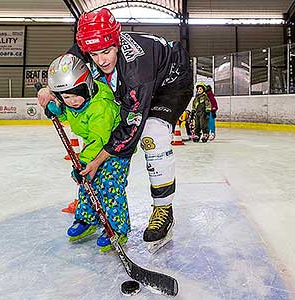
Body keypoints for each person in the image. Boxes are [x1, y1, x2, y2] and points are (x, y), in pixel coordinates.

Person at [38, 8, 193, 250]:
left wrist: (96, 162)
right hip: (140, 80)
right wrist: (50, 90)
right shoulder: (89, 43)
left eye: (107, 51)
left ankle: (163, 209)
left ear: (117, 42)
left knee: (152, 136)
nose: (101, 60)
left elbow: (131, 130)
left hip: (171, 81)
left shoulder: (136, 72)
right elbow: (68, 66)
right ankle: (93, 204)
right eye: (94, 53)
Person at [41, 53, 131, 253]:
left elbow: (99, 139)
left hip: (114, 150)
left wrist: (83, 162)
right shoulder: (76, 101)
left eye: (76, 94)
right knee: (86, 184)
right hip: (92, 148)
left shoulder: (101, 107)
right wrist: (57, 110)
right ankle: (88, 219)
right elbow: (71, 112)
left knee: (109, 186)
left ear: (88, 85)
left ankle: (117, 228)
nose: (72, 101)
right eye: (66, 97)